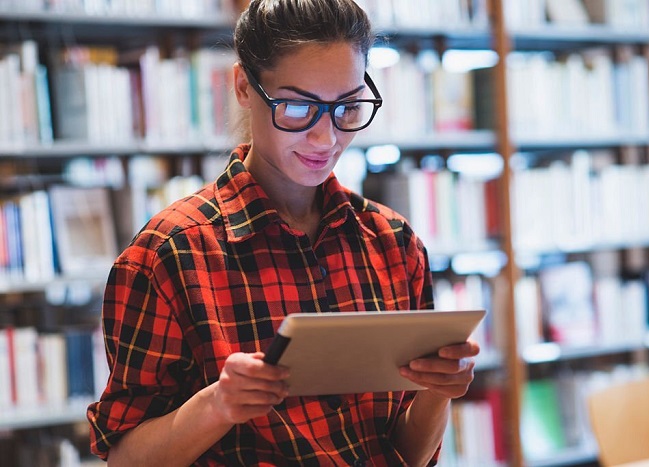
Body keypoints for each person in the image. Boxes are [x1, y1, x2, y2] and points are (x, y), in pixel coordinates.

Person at [87, 0, 480, 465]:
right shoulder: (169, 255)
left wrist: (437, 392)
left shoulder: (392, 243)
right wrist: (216, 406)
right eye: (297, 106)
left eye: (348, 108)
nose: (325, 138)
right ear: (243, 87)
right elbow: (125, 459)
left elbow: (405, 456)